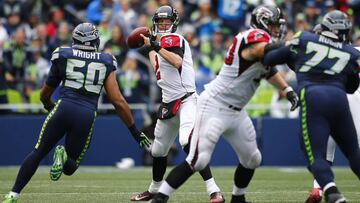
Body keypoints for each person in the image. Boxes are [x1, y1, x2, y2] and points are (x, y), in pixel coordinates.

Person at [151, 5, 299, 203]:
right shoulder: (252, 37)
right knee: (198, 158)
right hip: (215, 104)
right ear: (262, 23)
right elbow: (261, 51)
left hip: (237, 111)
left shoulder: (265, 44)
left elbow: (268, 69)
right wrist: (290, 46)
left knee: (253, 159)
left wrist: (287, 90)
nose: (276, 29)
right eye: (272, 24)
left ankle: (238, 198)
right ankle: (160, 197)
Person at [2, 22, 151, 203]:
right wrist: (134, 131)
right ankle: (63, 155)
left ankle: (13, 195)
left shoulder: (63, 54)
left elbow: (45, 93)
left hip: (63, 107)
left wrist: (50, 105)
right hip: (86, 114)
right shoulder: (106, 60)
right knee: (70, 167)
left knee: (38, 152)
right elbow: (117, 100)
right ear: (94, 40)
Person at [262, 10, 360, 203]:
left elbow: (271, 59)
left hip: (315, 96)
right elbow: (352, 86)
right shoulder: (349, 52)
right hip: (340, 99)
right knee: (353, 152)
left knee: (315, 154)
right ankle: (325, 190)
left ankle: (330, 191)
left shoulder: (305, 39)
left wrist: (274, 47)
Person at [129, 5, 224, 203]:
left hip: (187, 99)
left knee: (186, 141)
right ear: (155, 23)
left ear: (174, 23)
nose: (164, 24)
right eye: (161, 21)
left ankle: (214, 190)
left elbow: (176, 62)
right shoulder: (160, 44)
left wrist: (155, 46)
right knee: (158, 150)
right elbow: (158, 66)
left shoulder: (175, 39)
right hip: (169, 102)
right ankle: (154, 190)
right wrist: (149, 48)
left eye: (168, 21)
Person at [304, 25, 360, 203]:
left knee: (322, 152)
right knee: (354, 152)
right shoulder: (354, 52)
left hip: (328, 106)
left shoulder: (317, 56)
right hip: (351, 106)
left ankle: (318, 188)